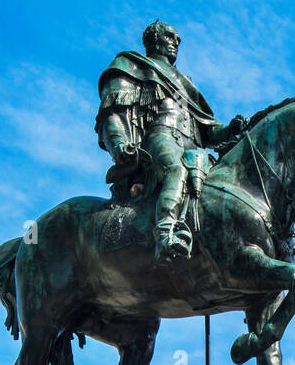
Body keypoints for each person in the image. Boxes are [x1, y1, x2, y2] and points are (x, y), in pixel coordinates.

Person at [95, 20, 247, 263]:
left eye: (177, 38)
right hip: (161, 137)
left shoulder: (185, 83)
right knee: (175, 170)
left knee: (225, 186)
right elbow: (112, 111)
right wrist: (119, 143)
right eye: (170, 36)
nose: (176, 42)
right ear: (154, 39)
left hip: (194, 147)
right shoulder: (132, 65)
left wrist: (231, 129)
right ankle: (165, 233)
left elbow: (208, 130)